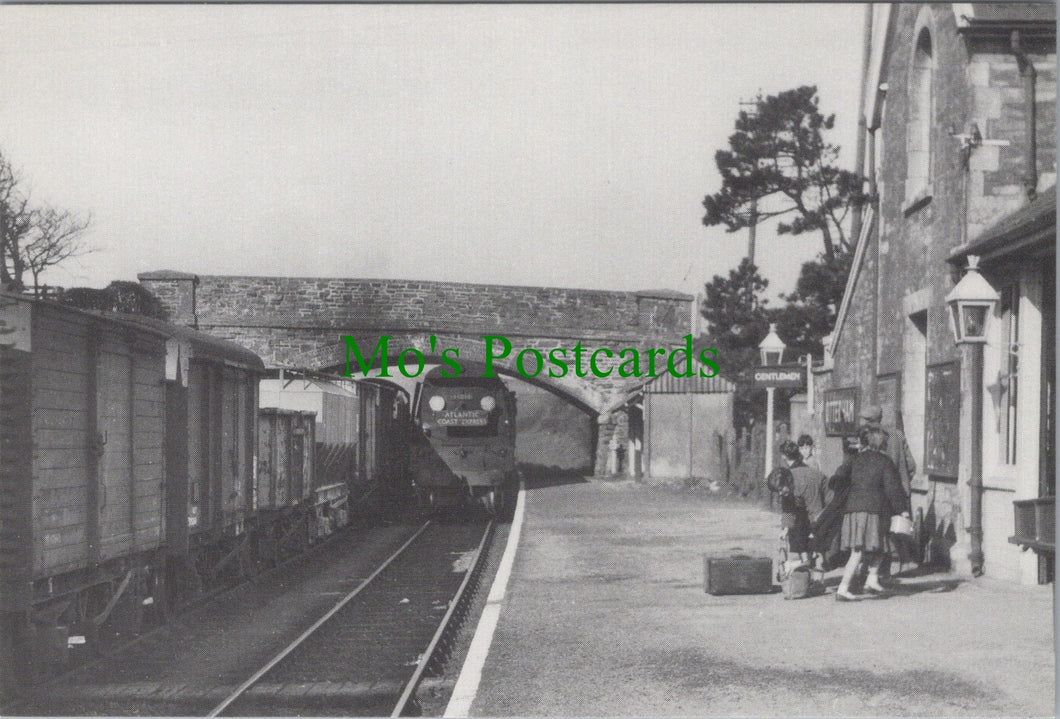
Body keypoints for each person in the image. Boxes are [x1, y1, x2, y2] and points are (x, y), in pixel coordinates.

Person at [835, 425, 910, 602]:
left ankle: (872, 578)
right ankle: (843, 588)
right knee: (859, 551)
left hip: (853, 510)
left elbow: (837, 478)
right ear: (881, 442)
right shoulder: (885, 461)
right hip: (872, 510)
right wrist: (902, 510)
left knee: (880, 544)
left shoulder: (854, 459)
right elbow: (893, 489)